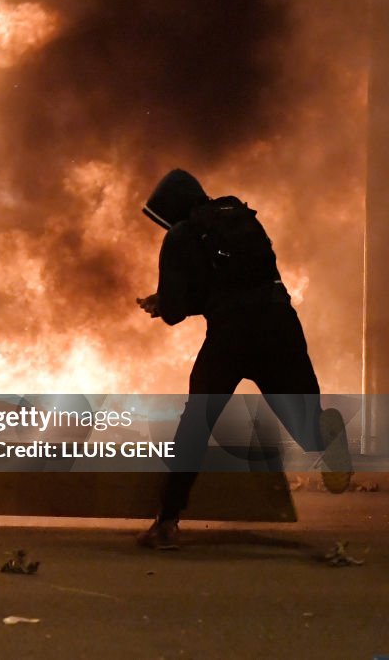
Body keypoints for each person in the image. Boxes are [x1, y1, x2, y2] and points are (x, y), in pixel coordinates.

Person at [135, 169, 352, 549]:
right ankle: (324, 432)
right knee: (302, 421)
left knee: (196, 423)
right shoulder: (237, 219)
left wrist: (163, 304)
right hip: (279, 324)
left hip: (230, 338)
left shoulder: (181, 235)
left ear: (170, 209)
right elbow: (241, 283)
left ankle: (167, 522)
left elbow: (174, 311)